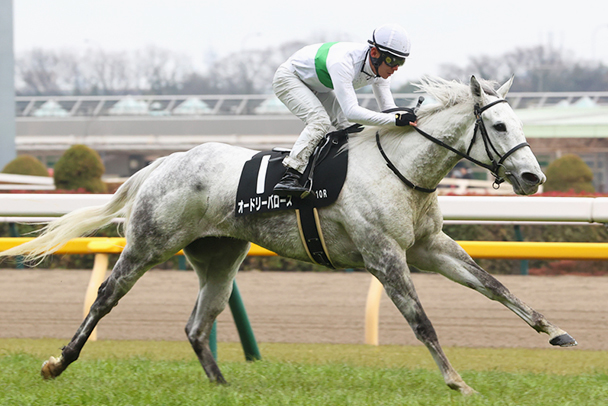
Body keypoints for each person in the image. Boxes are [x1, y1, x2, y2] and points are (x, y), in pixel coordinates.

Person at [272, 23, 418, 196]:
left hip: (318, 86)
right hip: (289, 78)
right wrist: (395, 120)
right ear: (374, 53)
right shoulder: (344, 62)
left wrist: (410, 118)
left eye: (400, 62)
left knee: (351, 129)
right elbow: (351, 112)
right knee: (320, 121)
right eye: (391, 61)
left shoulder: (381, 71)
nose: (395, 68)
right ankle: (291, 175)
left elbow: (388, 110)